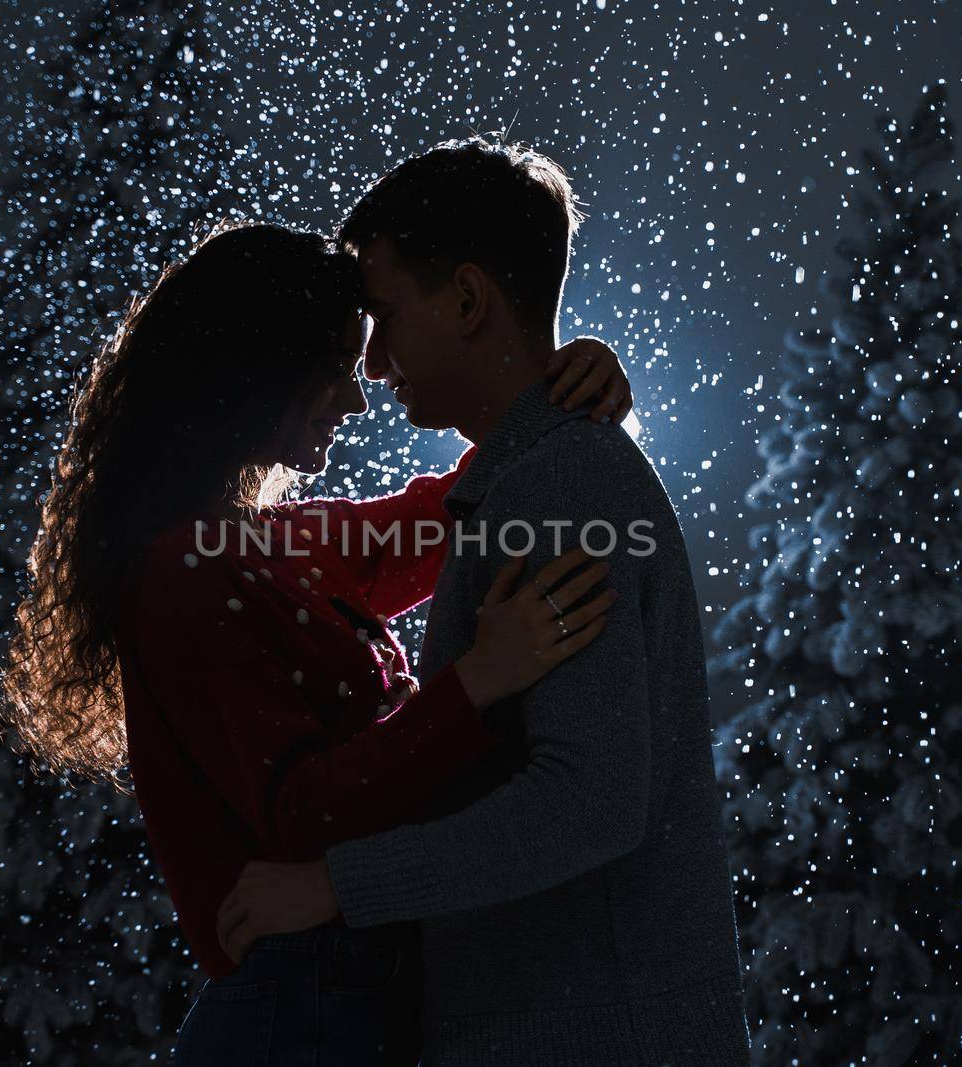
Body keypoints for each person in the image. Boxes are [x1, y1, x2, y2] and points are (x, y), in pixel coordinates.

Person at [0, 219, 636, 1065]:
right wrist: (478, 679)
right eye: (335, 366)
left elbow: (453, 511)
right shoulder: (185, 572)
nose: (358, 397)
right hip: (300, 1014)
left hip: (341, 998)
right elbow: (298, 814)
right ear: (255, 367)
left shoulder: (274, 545)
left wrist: (569, 389)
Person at [215, 138, 752, 1065]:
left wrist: (335, 885)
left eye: (384, 317)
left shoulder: (561, 483)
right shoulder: (530, 478)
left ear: (466, 300)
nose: (375, 366)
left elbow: (588, 802)